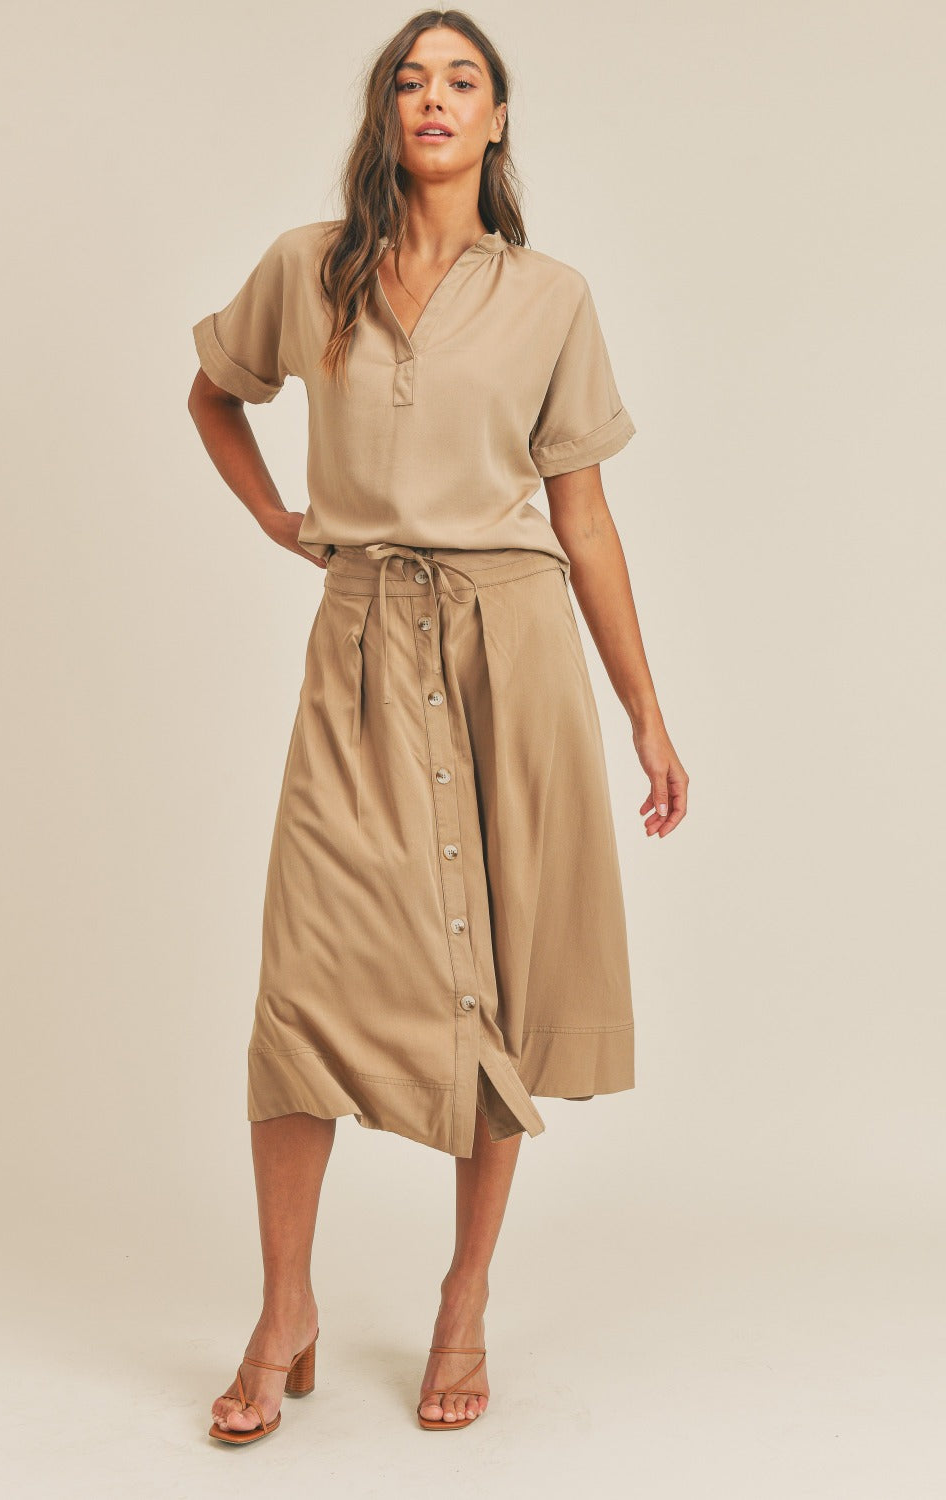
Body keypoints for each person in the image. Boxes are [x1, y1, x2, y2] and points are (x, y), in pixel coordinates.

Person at [188, 7, 688, 1443]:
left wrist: (647, 715)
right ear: (384, 115)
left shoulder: (551, 295)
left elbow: (583, 518)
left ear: (498, 119)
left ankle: (466, 1298)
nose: (434, 99)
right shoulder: (309, 269)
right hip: (359, 642)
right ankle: (286, 1308)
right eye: (410, 80)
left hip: (509, 652)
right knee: (304, 980)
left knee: (497, 978)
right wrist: (287, 519)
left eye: (462, 80)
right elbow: (215, 395)